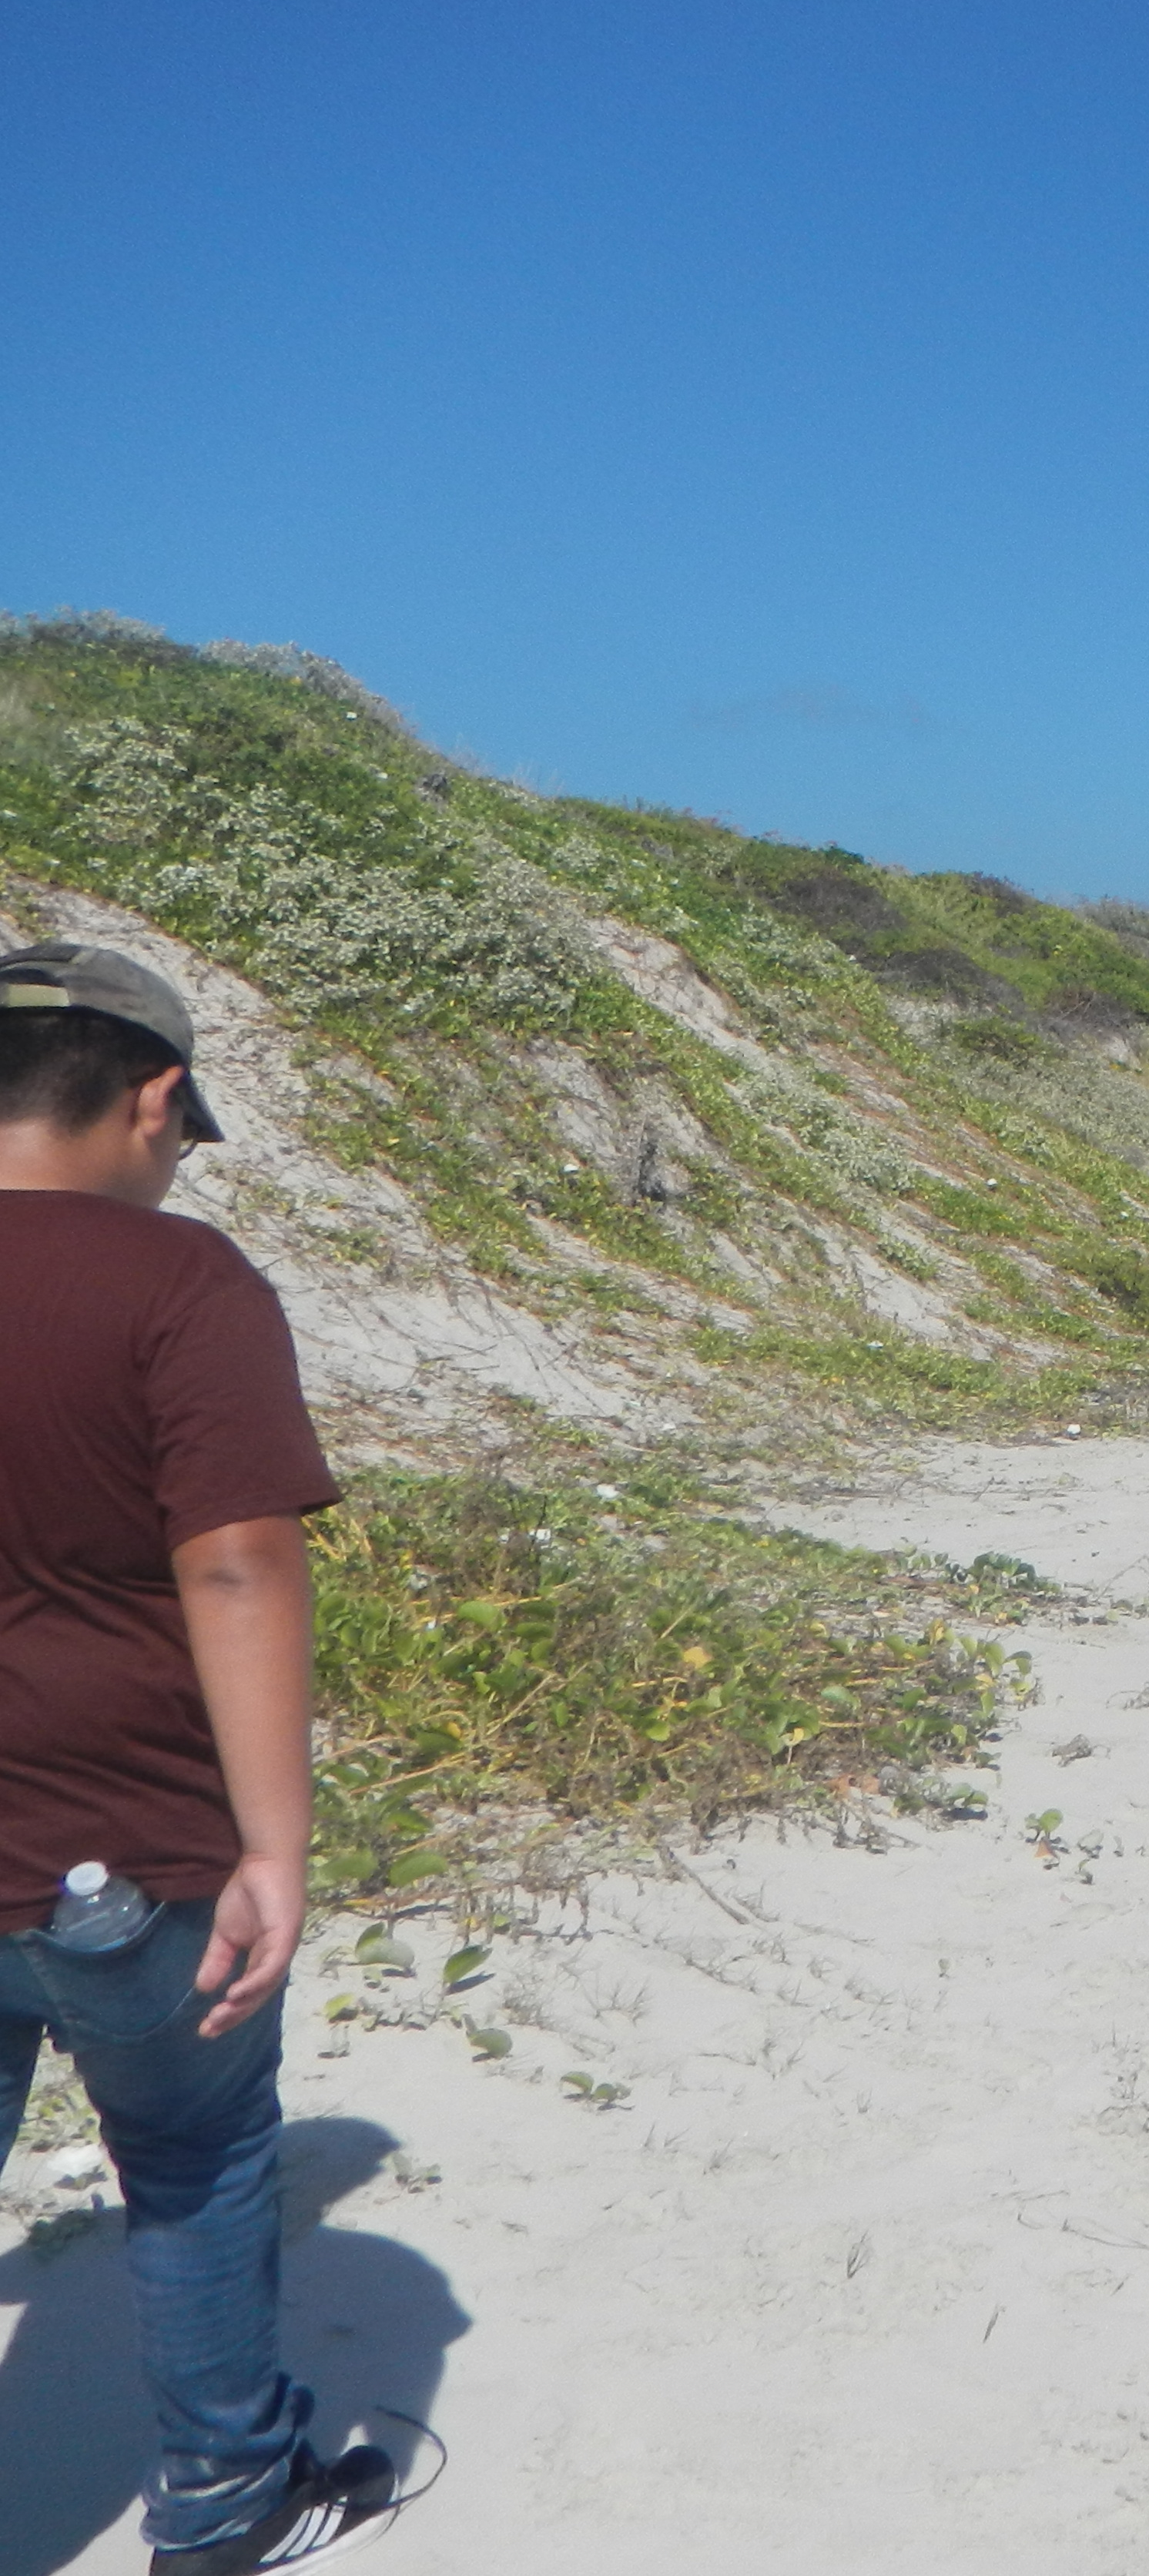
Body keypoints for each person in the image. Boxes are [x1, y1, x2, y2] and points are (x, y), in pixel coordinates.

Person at [0, 943, 396, 2572]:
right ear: (155, 1099)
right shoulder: (180, 1285)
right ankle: (228, 2498)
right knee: (198, 2153)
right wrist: (276, 1851)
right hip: (128, 1841)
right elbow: (236, 1563)